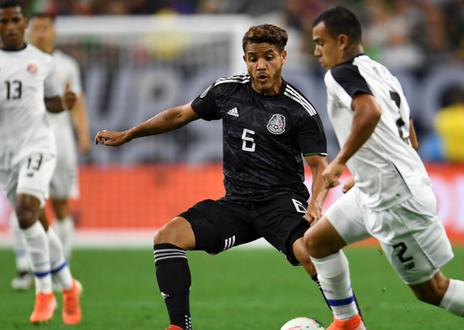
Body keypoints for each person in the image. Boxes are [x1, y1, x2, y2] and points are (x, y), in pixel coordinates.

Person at [305, 6, 464, 330]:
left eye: (320, 42)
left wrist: (341, 162)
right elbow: (410, 135)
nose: (316, 51)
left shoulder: (338, 75)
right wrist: (364, 173)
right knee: (317, 243)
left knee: (432, 290)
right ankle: (347, 323)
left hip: (394, 200)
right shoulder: (380, 71)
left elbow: (370, 113)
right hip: (378, 189)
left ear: (342, 41)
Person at [96, 24, 329, 330]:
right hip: (237, 205)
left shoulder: (299, 110)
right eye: (253, 58)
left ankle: (352, 322)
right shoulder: (225, 91)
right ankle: (180, 327)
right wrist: (129, 134)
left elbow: (320, 167)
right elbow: (179, 115)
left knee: (308, 252)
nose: (260, 65)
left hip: (280, 203)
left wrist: (315, 205)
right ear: (244, 59)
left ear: (283, 57)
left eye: (269, 57)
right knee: (167, 238)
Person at [0, 0, 82, 325]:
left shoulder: (42, 62)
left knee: (24, 214)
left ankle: (44, 291)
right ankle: (69, 285)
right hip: (5, 155)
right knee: (37, 223)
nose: (8, 27)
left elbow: (50, 102)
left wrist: (64, 102)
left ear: (25, 24)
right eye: (3, 21)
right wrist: (57, 102)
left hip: (37, 146)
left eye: (14, 21)